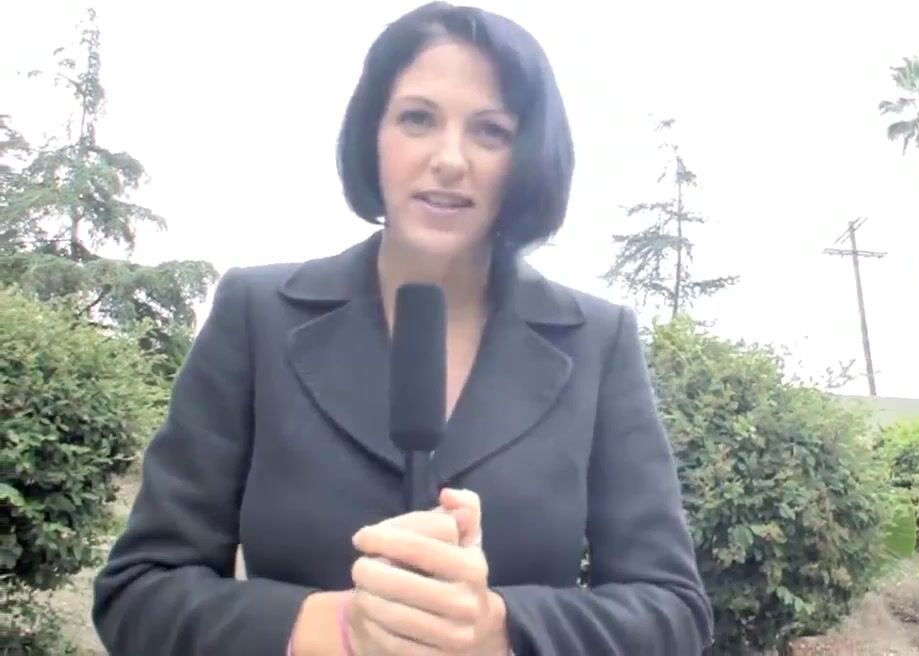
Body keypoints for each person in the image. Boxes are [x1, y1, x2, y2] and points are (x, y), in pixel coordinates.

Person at [90, 3, 715, 654]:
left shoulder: (597, 342)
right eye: (418, 118)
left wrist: (497, 628)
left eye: (490, 131)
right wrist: (336, 628)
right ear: (373, 133)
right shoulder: (257, 314)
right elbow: (138, 592)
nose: (450, 159)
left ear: (527, 157)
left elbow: (672, 611)